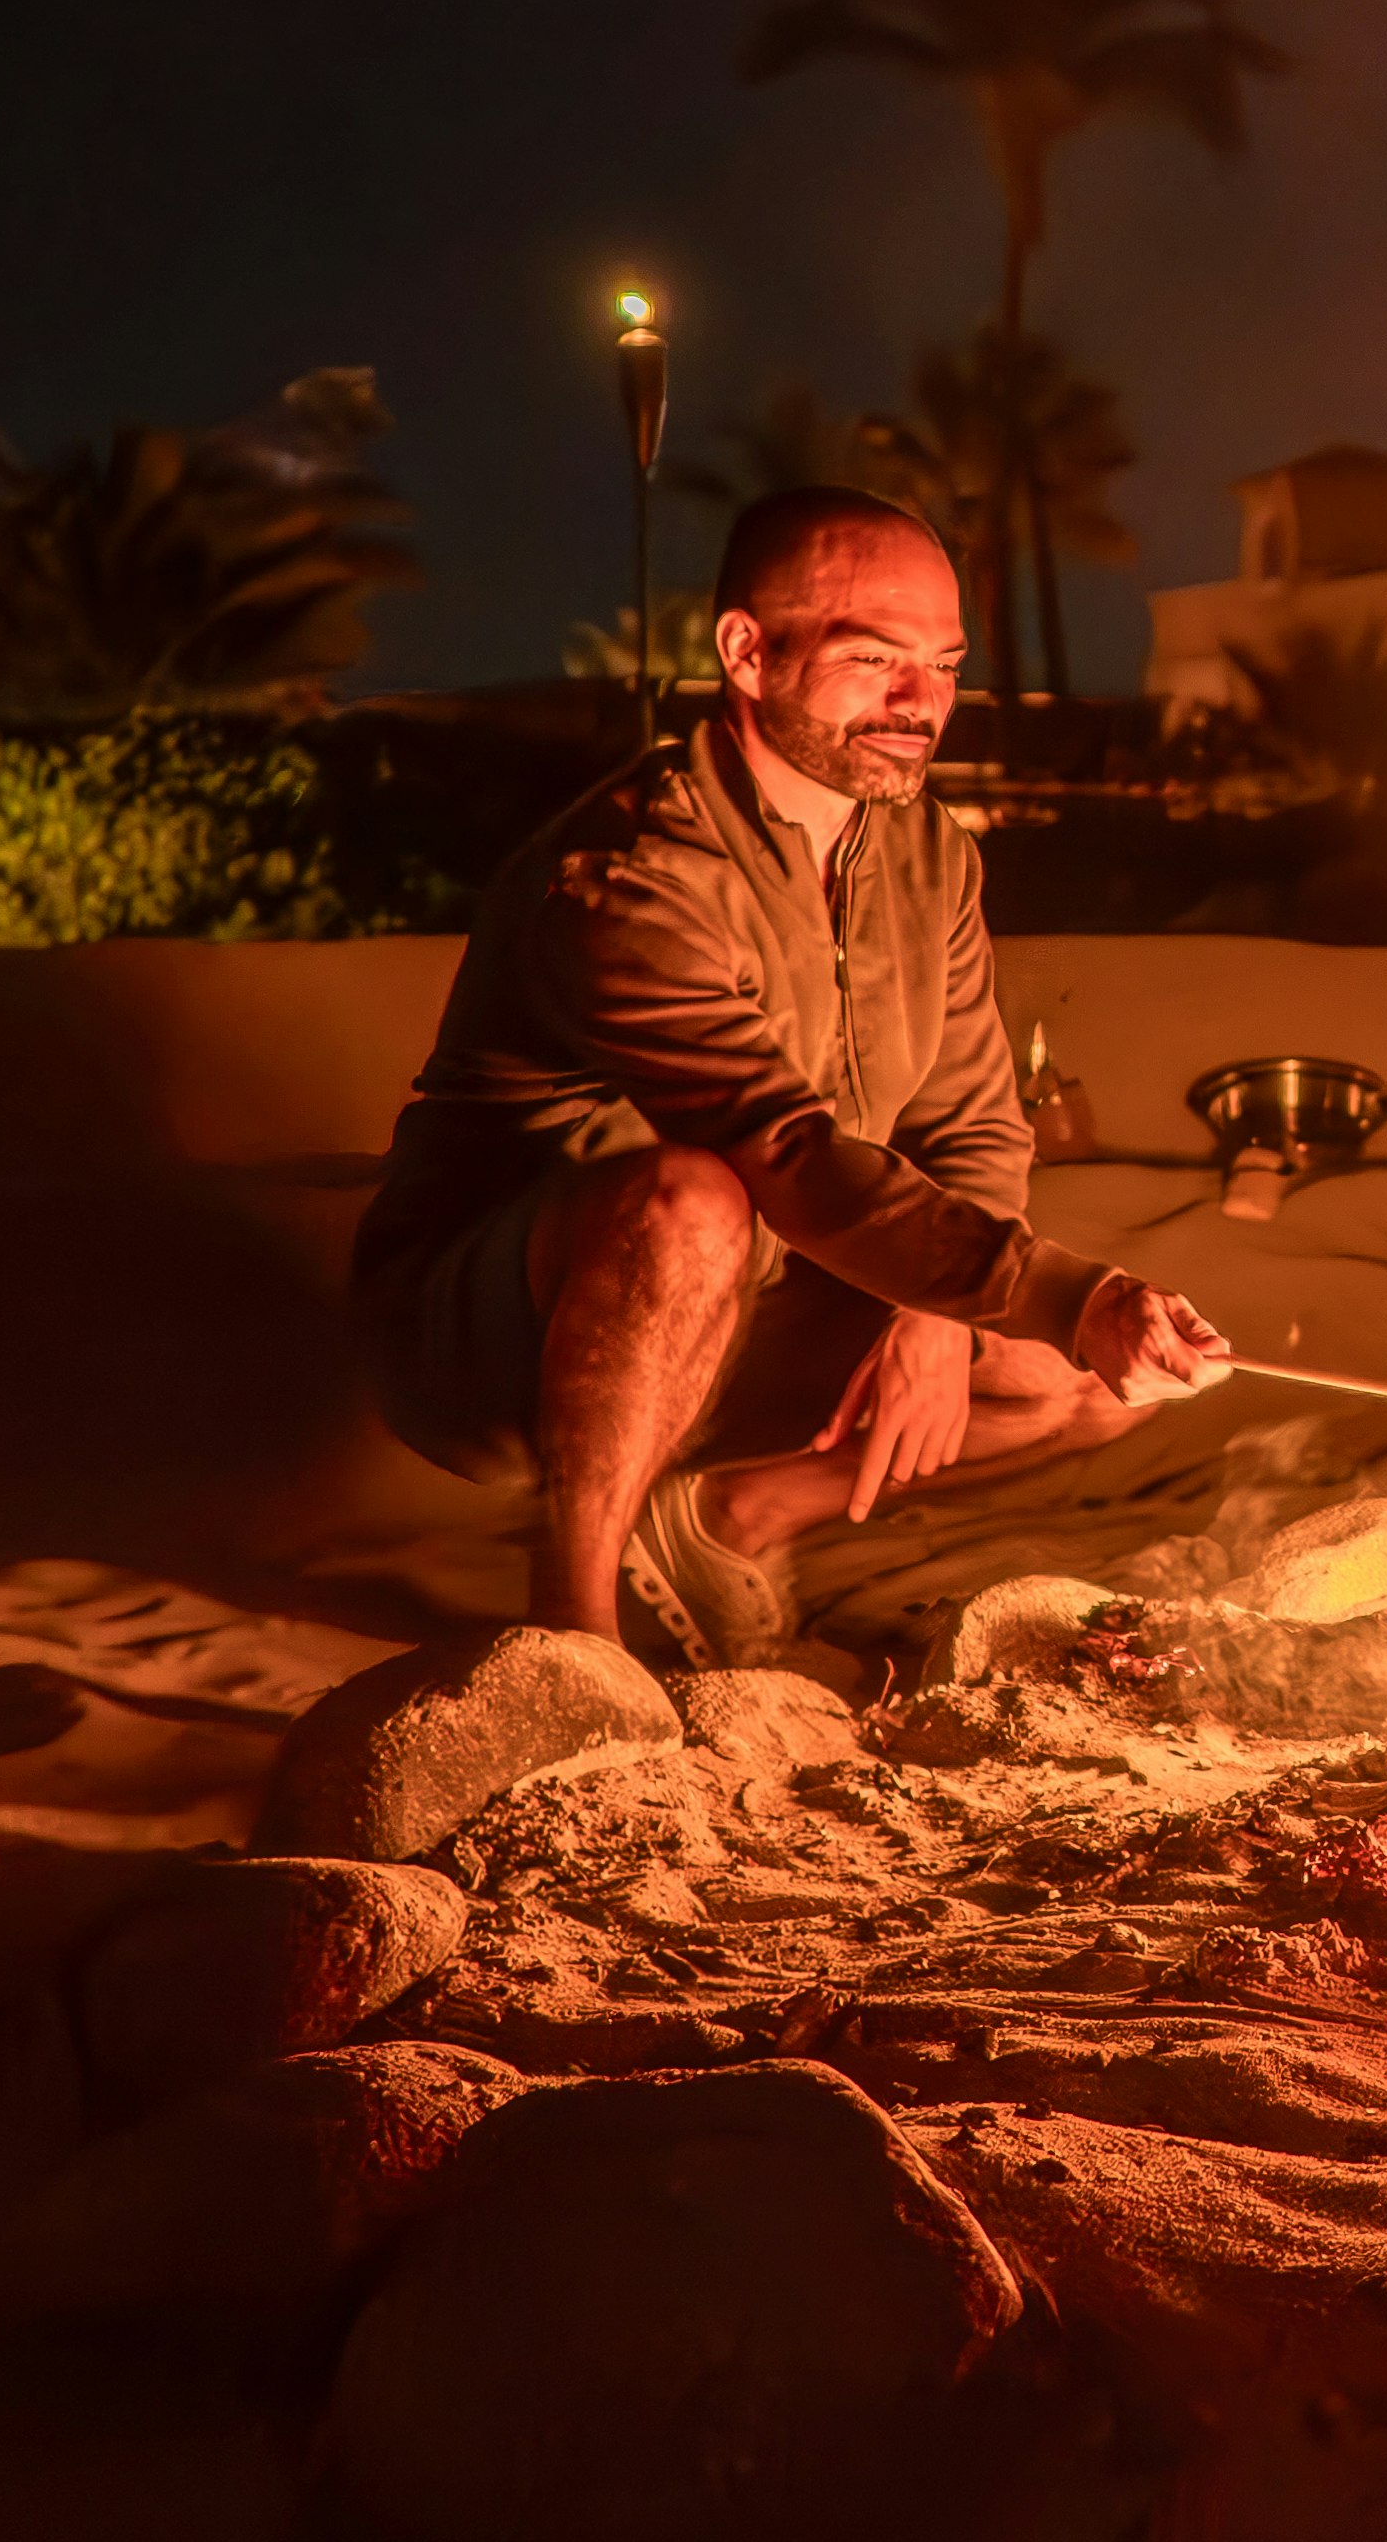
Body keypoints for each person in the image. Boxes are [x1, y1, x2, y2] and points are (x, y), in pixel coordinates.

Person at [352, 483, 1227, 1665]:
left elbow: (971, 1125)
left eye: (943, 664)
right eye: (874, 658)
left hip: (760, 1303)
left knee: (1098, 1380)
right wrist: (1068, 1294)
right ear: (747, 652)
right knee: (691, 1198)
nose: (922, 701)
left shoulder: (925, 854)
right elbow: (785, 1153)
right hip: (500, 1341)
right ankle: (573, 1639)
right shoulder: (629, 875)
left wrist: (938, 1307)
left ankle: (728, 1520)